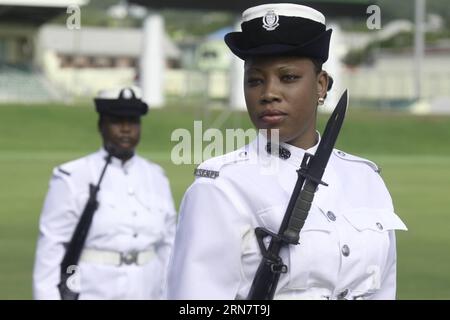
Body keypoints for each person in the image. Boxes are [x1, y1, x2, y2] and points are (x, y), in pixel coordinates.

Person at [167, 3, 407, 300]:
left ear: (321, 85)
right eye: (255, 80)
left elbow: (383, 289)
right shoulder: (221, 187)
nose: (268, 93)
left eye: (288, 77)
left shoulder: (366, 179)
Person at [33, 87, 176, 299]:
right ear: (101, 126)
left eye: (133, 121)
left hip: (148, 291)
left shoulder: (156, 177)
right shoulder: (73, 177)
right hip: (93, 291)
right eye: (117, 122)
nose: (126, 129)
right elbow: (50, 251)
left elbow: (169, 246)